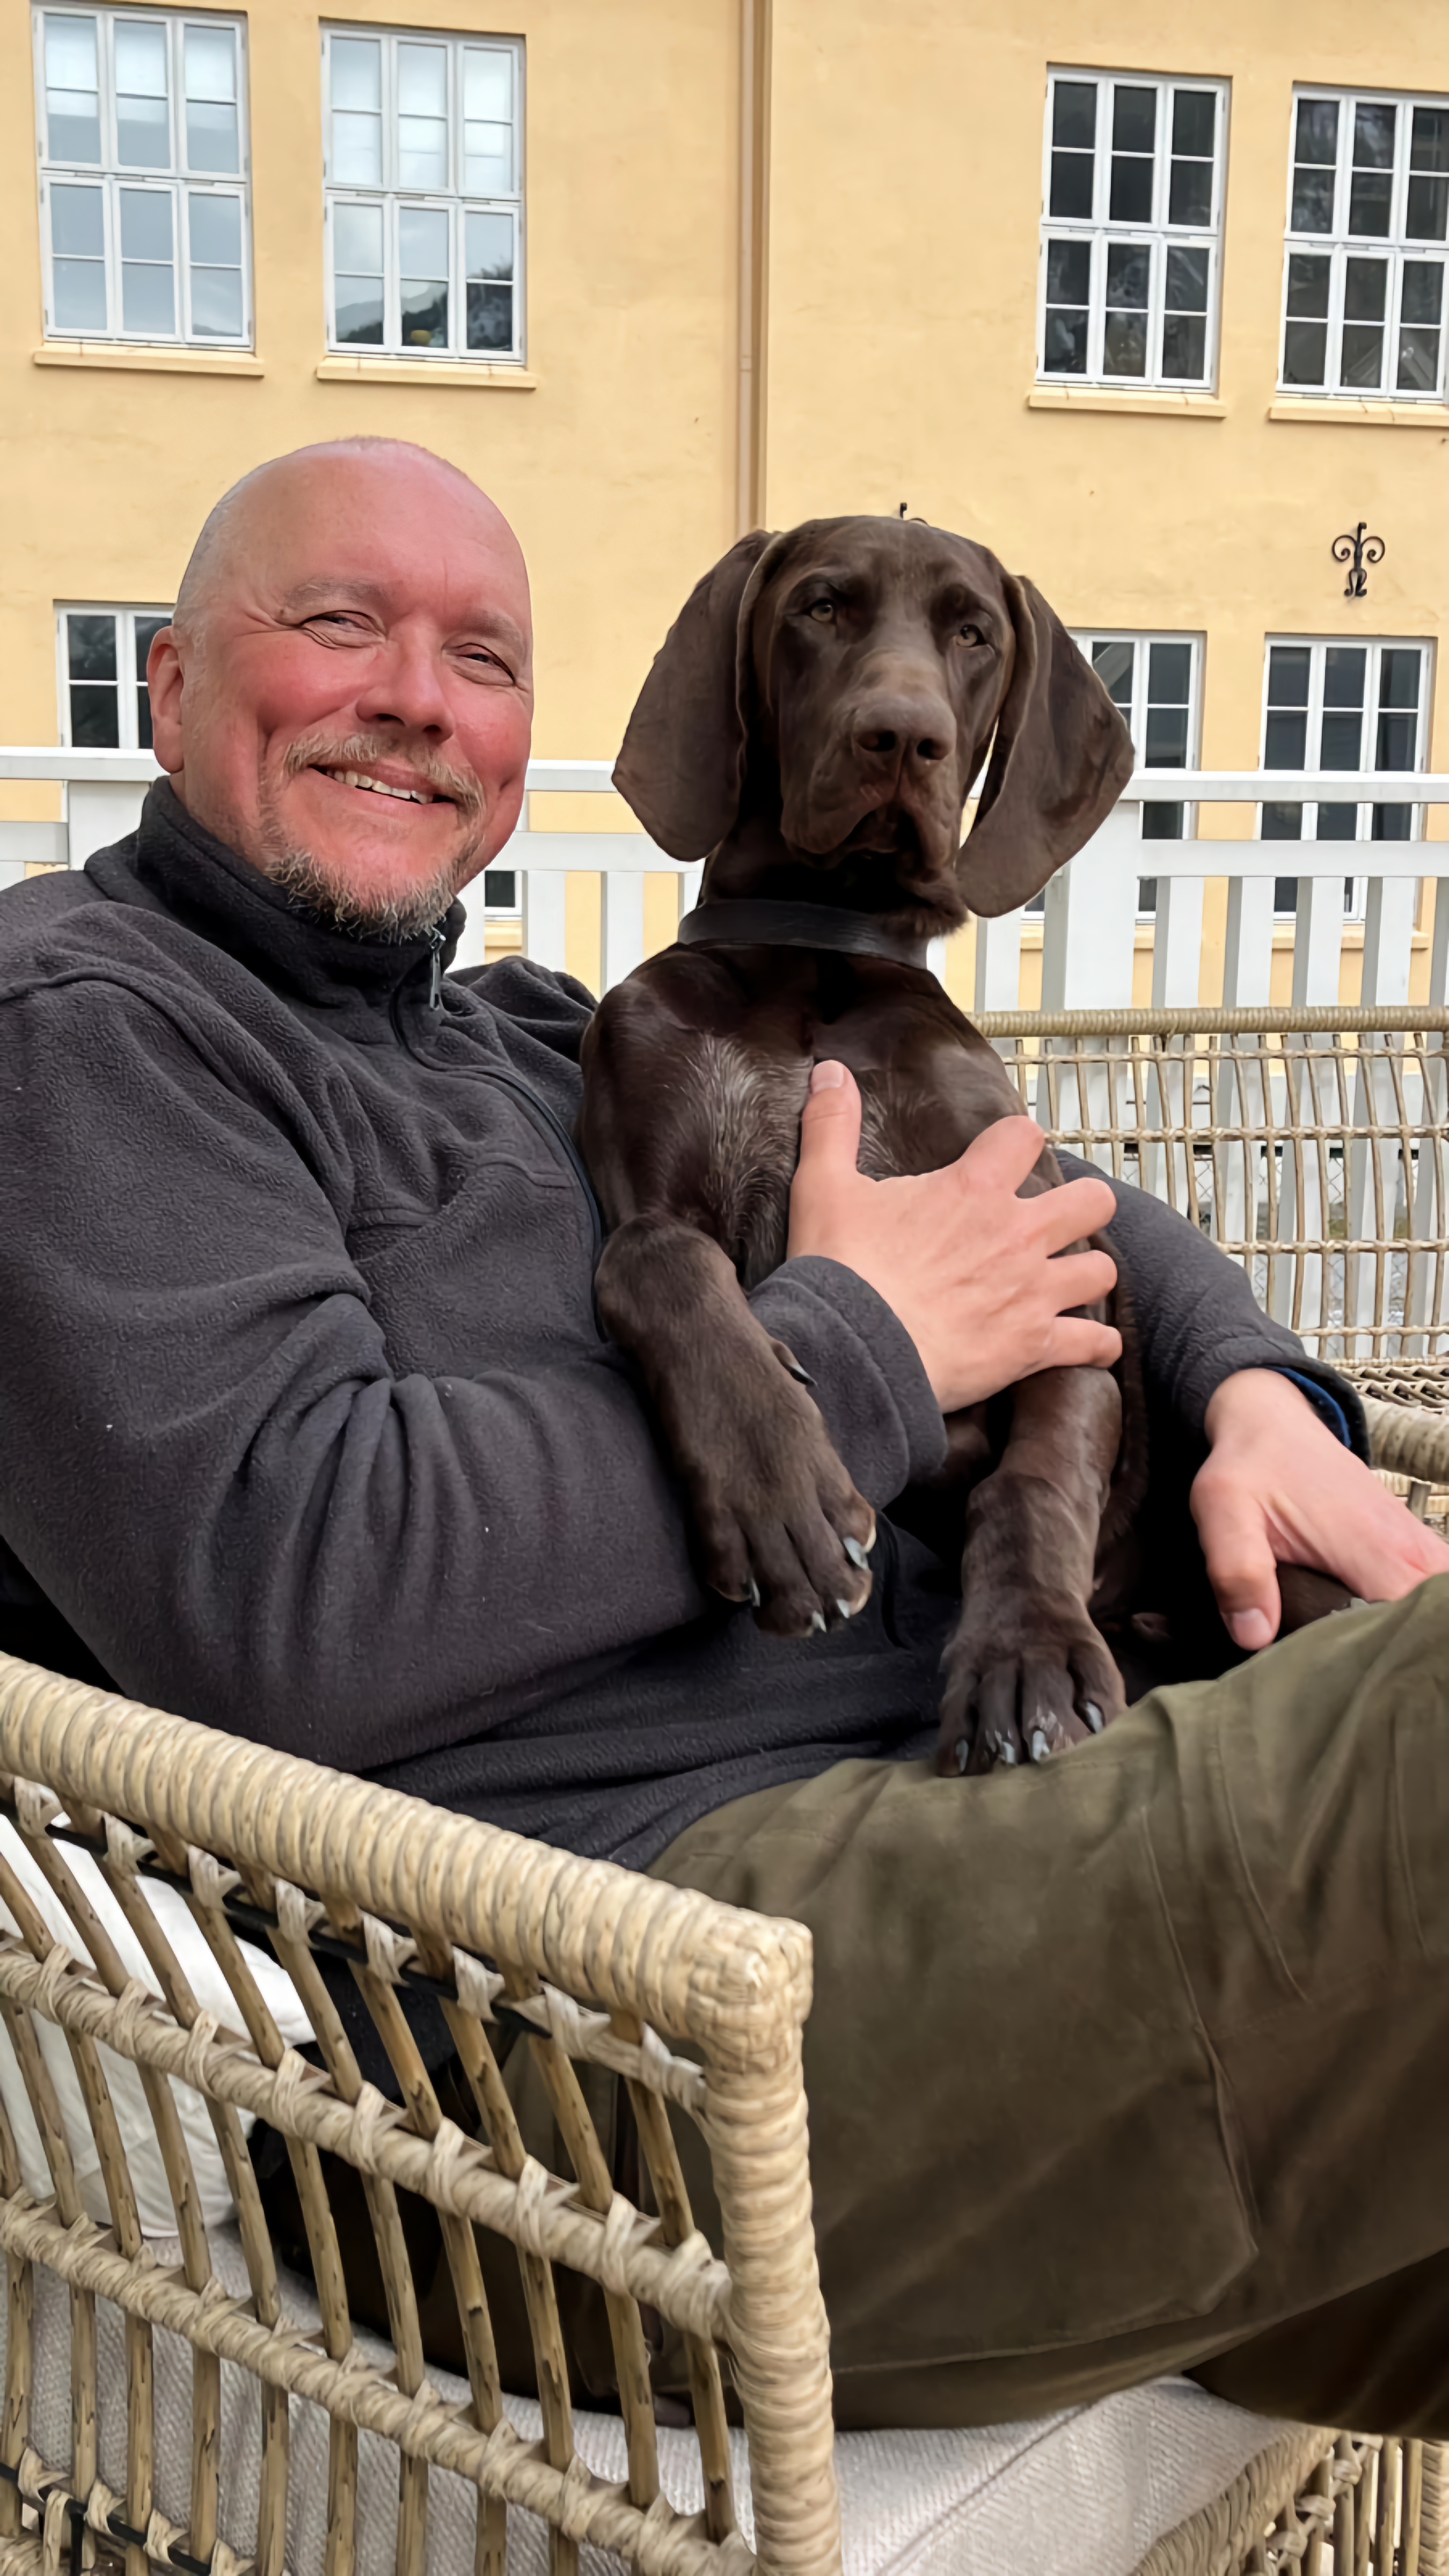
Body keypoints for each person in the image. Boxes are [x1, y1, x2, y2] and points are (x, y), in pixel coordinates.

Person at [1, 437, 1446, 2438]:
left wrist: (1260, 1396)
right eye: (338, 623)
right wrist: (856, 1340)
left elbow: (1030, 1188)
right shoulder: (86, 1026)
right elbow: (284, 1581)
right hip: (609, 2020)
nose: (417, 693)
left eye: (482, 657)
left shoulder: (528, 1035)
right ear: (164, 681)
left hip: (966, 1818)